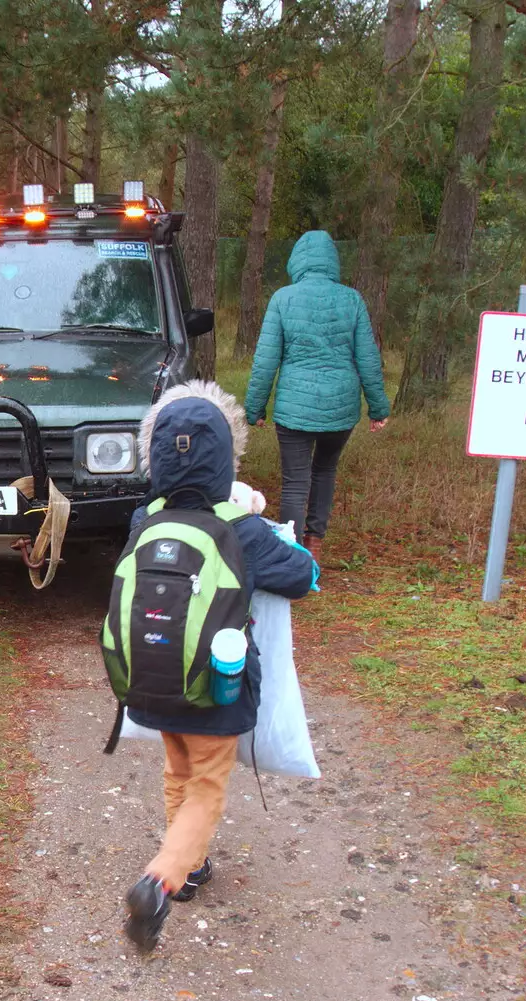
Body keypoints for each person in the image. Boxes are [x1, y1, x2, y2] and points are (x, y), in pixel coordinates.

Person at [120, 381, 317, 952]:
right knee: (208, 784)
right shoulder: (244, 530)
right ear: (228, 460)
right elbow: (301, 577)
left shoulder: (143, 520)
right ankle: (162, 879)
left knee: (178, 764)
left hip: (153, 681)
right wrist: (256, 514)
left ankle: (193, 864)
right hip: (216, 685)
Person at [244, 230, 391, 563]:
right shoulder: (351, 299)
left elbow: (266, 359)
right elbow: (367, 357)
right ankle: (314, 545)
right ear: (333, 262)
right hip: (341, 408)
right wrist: (378, 408)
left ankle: (291, 557)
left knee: (296, 480)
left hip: (294, 409)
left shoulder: (283, 298)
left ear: (297, 261)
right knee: (325, 472)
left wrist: (255, 408)